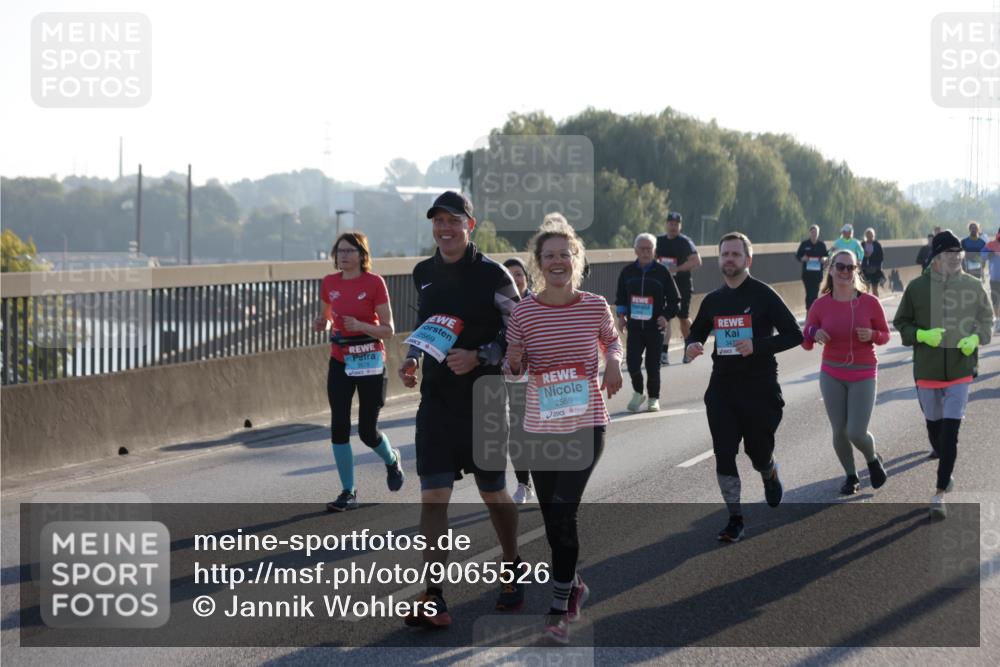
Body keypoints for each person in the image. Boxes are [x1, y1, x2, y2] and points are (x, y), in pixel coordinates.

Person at [398, 191, 524, 626]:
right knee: (433, 497)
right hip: (436, 400)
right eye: (438, 221)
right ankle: (434, 596)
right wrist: (412, 357)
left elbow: (518, 333)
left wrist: (480, 355)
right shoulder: (423, 272)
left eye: (454, 221)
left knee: (492, 494)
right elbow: (427, 326)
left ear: (471, 225)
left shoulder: (494, 276)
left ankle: (511, 565)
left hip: (485, 399)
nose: (445, 228)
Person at [504, 214, 623, 644]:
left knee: (562, 510)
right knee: (554, 520)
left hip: (586, 424)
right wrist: (515, 359)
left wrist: (612, 362)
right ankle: (573, 583)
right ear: (539, 263)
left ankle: (558, 609)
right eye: (549, 256)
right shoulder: (524, 313)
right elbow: (512, 372)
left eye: (564, 254)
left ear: (577, 259)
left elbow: (612, 340)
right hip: (540, 427)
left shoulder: (594, 306)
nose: (557, 262)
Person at [685, 232, 803, 542]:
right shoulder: (713, 300)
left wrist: (757, 345)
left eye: (736, 254)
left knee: (757, 452)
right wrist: (692, 345)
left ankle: (768, 470)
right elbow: (695, 332)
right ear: (719, 259)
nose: (729, 259)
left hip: (760, 388)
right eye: (725, 254)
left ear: (747, 260)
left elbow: (794, 335)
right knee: (724, 454)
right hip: (722, 388)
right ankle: (735, 518)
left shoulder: (764, 295)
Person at [893, 230, 994, 519]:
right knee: (935, 431)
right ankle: (943, 465)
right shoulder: (916, 288)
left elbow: (987, 320)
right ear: (936, 258)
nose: (956, 259)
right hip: (927, 370)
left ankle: (939, 494)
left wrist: (976, 339)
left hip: (961, 369)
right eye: (950, 255)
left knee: (951, 434)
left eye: (958, 254)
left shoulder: (973, 286)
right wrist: (921, 335)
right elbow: (901, 323)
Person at [314, 232, 403, 512]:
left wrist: (362, 326)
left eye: (349, 251)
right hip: (340, 361)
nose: (343, 255)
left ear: (362, 255)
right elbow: (328, 318)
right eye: (339, 251)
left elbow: (388, 330)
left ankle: (391, 460)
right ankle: (348, 492)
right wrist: (322, 324)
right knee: (339, 426)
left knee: (366, 431)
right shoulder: (329, 283)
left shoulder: (374, 283)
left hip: (370, 362)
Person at [802, 250, 890, 495]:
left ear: (856, 270)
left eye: (850, 268)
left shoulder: (869, 302)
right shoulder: (821, 305)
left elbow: (885, 335)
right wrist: (813, 333)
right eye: (840, 267)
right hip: (832, 373)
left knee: (856, 431)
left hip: (863, 372)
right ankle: (851, 476)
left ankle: (872, 459)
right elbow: (806, 339)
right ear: (830, 269)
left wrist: (872, 335)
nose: (844, 272)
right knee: (839, 430)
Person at [615, 233, 681, 413]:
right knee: (632, 363)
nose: (645, 252)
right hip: (635, 327)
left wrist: (666, 316)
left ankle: (653, 398)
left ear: (654, 251)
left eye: (649, 249)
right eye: (642, 249)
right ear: (635, 250)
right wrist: (621, 317)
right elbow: (620, 297)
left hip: (655, 327)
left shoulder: (662, 272)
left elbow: (676, 301)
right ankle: (638, 392)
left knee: (653, 366)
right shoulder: (627, 272)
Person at [503, 257, 534, 504]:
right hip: (514, 378)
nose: (515, 278)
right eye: (509, 274)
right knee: (517, 432)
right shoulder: (497, 307)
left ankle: (550, 481)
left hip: (543, 379)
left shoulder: (539, 303)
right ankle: (523, 483)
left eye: (519, 274)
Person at [655, 212, 702, 365]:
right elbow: (651, 257)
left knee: (683, 318)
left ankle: (688, 348)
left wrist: (676, 269)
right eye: (671, 223)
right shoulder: (659, 241)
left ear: (680, 226)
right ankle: (663, 352)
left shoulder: (685, 242)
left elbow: (696, 261)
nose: (673, 226)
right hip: (664, 285)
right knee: (665, 317)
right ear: (666, 224)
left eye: (676, 224)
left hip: (682, 285)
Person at [795, 224, 829, 311]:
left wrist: (824, 259)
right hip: (807, 274)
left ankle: (814, 310)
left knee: (815, 292)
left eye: (816, 232)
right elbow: (798, 256)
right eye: (813, 232)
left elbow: (827, 257)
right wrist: (803, 258)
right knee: (809, 293)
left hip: (817, 274)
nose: (814, 234)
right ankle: (809, 310)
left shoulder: (821, 245)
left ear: (818, 233)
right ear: (810, 233)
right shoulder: (804, 244)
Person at [982, 229, 1000, 332]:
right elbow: (983, 255)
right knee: (996, 301)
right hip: (995, 279)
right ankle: (998, 321)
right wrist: (993, 253)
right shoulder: (991, 244)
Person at [860, 228, 885, 297]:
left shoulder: (877, 245)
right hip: (865, 269)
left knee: (874, 289)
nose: (869, 237)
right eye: (868, 235)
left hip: (875, 269)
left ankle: (876, 304)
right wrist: (864, 255)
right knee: (865, 288)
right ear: (865, 236)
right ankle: (867, 303)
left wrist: (871, 256)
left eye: (871, 235)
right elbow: (858, 256)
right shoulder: (862, 244)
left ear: (873, 235)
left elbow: (881, 257)